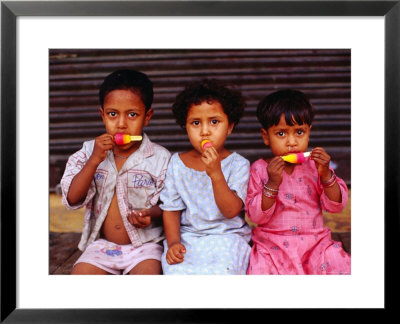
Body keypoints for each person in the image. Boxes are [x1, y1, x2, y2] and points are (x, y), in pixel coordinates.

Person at [60, 69, 171, 275]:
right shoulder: (87, 153)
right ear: (102, 115)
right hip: (102, 245)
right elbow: (73, 199)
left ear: (147, 117)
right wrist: (94, 160)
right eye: (113, 114)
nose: (121, 124)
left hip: (145, 247)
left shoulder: (161, 158)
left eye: (132, 115)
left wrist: (150, 214)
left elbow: (170, 205)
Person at [246, 89, 351, 275]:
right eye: (281, 134)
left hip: (316, 243)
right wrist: (272, 183)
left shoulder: (316, 166)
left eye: (299, 132)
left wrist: (326, 174)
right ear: (265, 136)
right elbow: (255, 216)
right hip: (272, 245)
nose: (291, 142)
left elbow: (337, 206)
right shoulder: (259, 169)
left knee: (337, 262)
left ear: (309, 132)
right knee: (260, 269)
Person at [160, 79, 251, 274]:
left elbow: (231, 211)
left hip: (227, 236)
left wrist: (216, 174)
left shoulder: (238, 164)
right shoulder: (177, 163)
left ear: (230, 127)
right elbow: (171, 209)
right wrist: (174, 242)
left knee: (223, 271)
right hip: (188, 237)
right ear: (185, 126)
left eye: (214, 122)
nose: (205, 131)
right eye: (195, 123)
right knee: (177, 271)